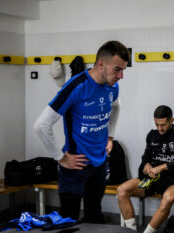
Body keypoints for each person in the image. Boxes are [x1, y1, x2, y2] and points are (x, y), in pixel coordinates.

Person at [34, 40, 130, 223]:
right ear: (101, 63)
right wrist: (59, 157)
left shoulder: (113, 87)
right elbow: (41, 125)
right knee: (68, 221)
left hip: (99, 164)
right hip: (74, 165)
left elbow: (116, 107)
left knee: (94, 218)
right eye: (117, 69)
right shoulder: (76, 86)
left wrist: (110, 136)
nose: (121, 76)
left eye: (123, 70)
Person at [117, 105, 174, 233]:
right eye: (157, 124)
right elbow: (146, 156)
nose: (160, 128)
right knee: (121, 190)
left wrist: (162, 167)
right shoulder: (152, 135)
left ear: (172, 120)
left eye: (163, 124)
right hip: (152, 179)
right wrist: (146, 165)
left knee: (168, 198)